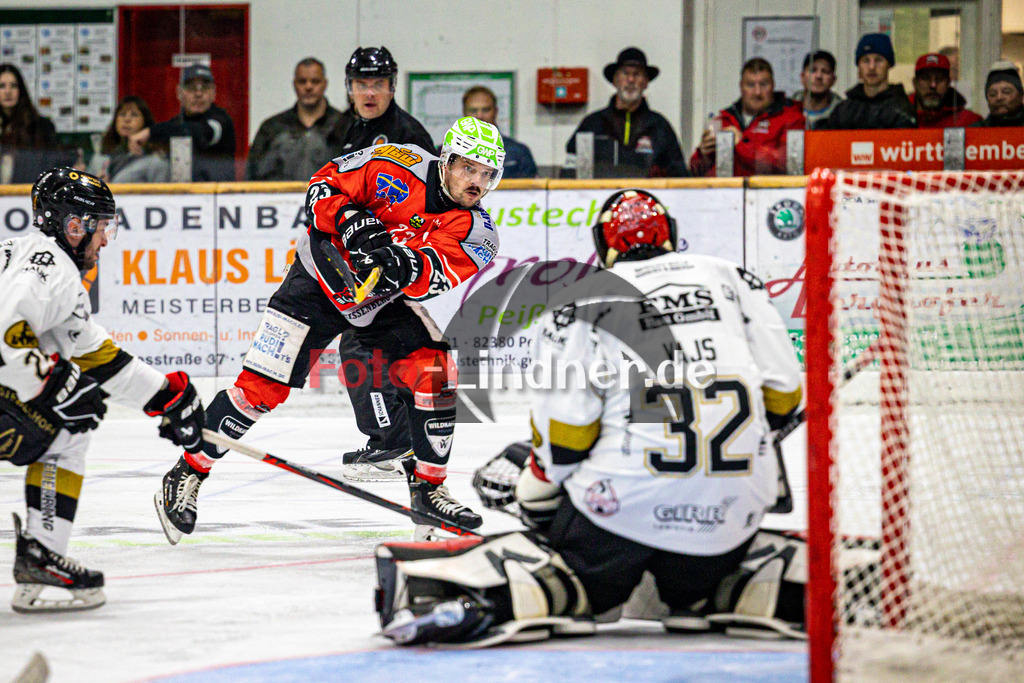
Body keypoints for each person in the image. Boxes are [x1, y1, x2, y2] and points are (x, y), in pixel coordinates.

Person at [373, 189, 807, 647]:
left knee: (548, 513)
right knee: (711, 550)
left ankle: (555, 585)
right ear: (671, 239)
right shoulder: (735, 279)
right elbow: (784, 398)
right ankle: (712, 586)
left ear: (605, 247)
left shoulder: (585, 299)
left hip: (617, 526)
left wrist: (528, 487)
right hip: (729, 523)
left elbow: (565, 440)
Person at [154, 116, 505, 542]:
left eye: (487, 174)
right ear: (446, 160)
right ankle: (187, 473)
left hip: (378, 299)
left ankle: (428, 490)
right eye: (468, 168)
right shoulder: (395, 161)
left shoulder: (479, 233)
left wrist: (403, 264)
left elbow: (434, 274)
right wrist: (351, 218)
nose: (477, 182)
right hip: (316, 279)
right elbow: (322, 186)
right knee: (256, 391)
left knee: (436, 370)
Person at [1, 167, 206, 612]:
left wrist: (167, 396)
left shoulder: (34, 256)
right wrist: (53, 383)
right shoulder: (50, 268)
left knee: (69, 421)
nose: (105, 239)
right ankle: (41, 554)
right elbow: (5, 334)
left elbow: (91, 351)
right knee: (67, 423)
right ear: (73, 225)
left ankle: (42, 556)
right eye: (100, 226)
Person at [329, 46, 436, 480]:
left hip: (392, 257)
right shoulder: (356, 128)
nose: (369, 92)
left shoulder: (406, 134)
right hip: (370, 255)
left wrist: (400, 253)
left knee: (361, 344)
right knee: (381, 343)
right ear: (350, 88)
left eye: (377, 83)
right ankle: (400, 436)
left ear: (393, 86)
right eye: (361, 84)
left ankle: (392, 440)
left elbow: (428, 200)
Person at [564, 47, 687, 178]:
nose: (631, 80)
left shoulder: (660, 127)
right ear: (614, 80)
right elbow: (570, 173)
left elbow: (679, 176)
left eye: (637, 74)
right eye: (625, 73)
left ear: (646, 83)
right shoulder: (592, 124)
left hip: (645, 198)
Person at [689, 58, 804, 177]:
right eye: (750, 85)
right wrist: (702, 154)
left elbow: (784, 165)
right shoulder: (723, 120)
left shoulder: (792, 119)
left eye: (764, 84)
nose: (757, 92)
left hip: (769, 192)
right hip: (725, 192)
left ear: (773, 85)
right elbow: (695, 172)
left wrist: (741, 143)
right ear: (741, 86)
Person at [129, 64, 236, 181]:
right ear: (179, 92)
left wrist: (150, 132)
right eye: (191, 87)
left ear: (213, 93)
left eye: (205, 87)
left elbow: (201, 133)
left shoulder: (220, 120)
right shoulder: (175, 124)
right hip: (179, 195)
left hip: (217, 195)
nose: (198, 94)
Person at [245, 57, 346, 181]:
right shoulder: (272, 127)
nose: (308, 87)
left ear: (325, 84)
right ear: (294, 84)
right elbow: (252, 175)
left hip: (330, 199)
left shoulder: (343, 125)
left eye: (315, 81)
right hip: (278, 199)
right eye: (302, 81)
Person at [818, 34, 916, 130]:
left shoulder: (902, 109)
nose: (872, 67)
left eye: (878, 60)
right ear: (859, 66)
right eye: (866, 60)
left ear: (889, 65)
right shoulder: (845, 109)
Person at [0, 64, 67, 184]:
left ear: (21, 90)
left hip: (27, 195)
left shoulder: (40, 126)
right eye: (2, 86)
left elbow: (51, 168)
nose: (8, 91)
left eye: (13, 86)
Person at [86, 96, 169, 183]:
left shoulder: (155, 161)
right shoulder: (99, 158)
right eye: (122, 114)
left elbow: (162, 195)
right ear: (115, 121)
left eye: (134, 115)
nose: (127, 119)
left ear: (145, 122)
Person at [462, 85, 536, 179]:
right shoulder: (448, 151)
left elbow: (532, 191)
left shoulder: (519, 153)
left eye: (486, 110)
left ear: (495, 111)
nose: (479, 116)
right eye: (473, 110)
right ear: (464, 113)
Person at [909, 53, 981, 128]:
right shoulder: (900, 120)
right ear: (915, 83)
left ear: (948, 83)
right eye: (926, 78)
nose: (933, 85)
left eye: (940, 79)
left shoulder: (968, 122)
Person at [793, 50, 843, 129]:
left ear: (833, 80)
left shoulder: (844, 115)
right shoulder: (787, 112)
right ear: (802, 77)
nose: (819, 76)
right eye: (813, 70)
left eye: (825, 71)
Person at [973, 61, 1024, 127]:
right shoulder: (976, 131)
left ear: (1020, 96)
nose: (999, 97)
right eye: (992, 94)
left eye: (1006, 92)